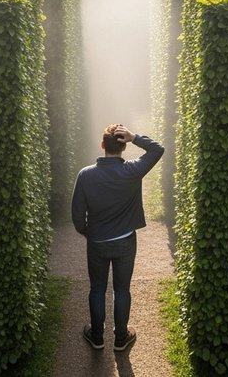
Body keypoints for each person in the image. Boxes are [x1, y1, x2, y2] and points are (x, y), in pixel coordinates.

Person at [71, 123, 163, 352]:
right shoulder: (132, 170)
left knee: (97, 288)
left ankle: (97, 337)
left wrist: (87, 232)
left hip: (97, 241)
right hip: (125, 241)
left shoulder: (85, 175)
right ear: (123, 147)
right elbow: (157, 149)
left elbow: (76, 215)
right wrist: (134, 137)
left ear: (103, 146)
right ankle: (121, 337)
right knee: (122, 289)